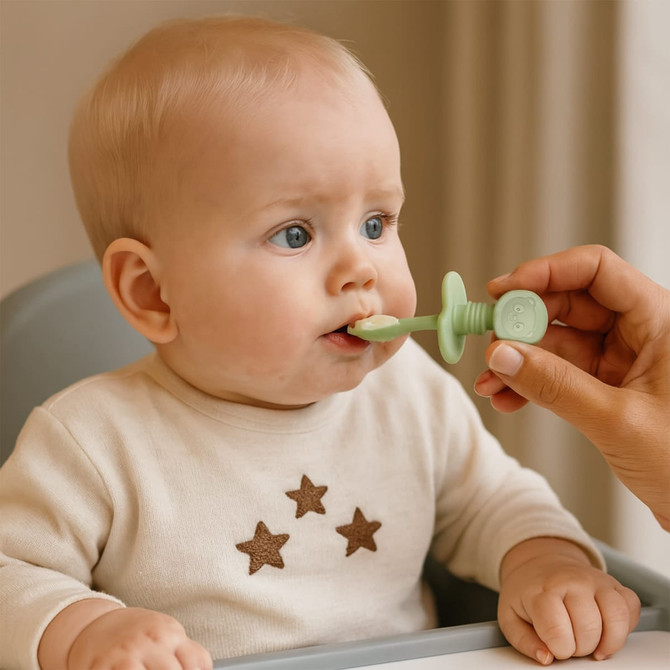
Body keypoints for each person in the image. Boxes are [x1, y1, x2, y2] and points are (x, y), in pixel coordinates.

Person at [0, 18, 640, 670]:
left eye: (375, 222)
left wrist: (548, 565)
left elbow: (496, 502)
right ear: (153, 294)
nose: (360, 268)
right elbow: (10, 572)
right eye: (296, 234)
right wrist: (82, 633)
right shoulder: (93, 442)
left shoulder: (407, 393)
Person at [474, 245, 670, 531]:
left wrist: (554, 561)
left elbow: (493, 498)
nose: (380, 273)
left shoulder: (428, 393)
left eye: (381, 224)